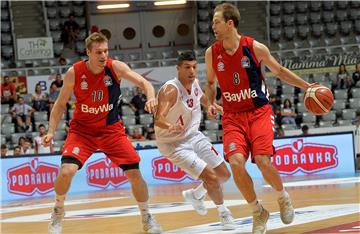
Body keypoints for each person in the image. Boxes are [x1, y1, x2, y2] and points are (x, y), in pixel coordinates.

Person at [204, 3, 314, 233]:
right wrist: (211, 102)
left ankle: (282, 197)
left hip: (258, 112)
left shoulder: (254, 48)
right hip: (232, 116)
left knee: (263, 161)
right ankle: (258, 211)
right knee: (235, 163)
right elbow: (211, 83)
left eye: (216, 21)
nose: (212, 25)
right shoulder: (212, 53)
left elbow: (280, 71)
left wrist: (306, 86)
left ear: (230, 23)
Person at [42, 32, 162, 234]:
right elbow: (60, 104)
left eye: (106, 51)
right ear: (88, 52)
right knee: (66, 172)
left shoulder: (115, 68)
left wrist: (151, 97)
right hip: (83, 131)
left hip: (110, 130)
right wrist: (51, 132)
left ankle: (147, 217)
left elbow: (145, 83)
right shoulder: (75, 72)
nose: (103, 55)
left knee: (134, 173)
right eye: (98, 52)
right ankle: (58, 209)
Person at [154, 51, 237, 230]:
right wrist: (170, 125)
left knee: (224, 174)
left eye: (194, 67)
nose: (191, 71)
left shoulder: (196, 83)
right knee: (212, 177)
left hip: (194, 136)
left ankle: (196, 195)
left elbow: (203, 99)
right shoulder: (171, 90)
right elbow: (158, 118)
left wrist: (211, 107)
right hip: (173, 143)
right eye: (187, 67)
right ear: (178, 69)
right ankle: (224, 213)